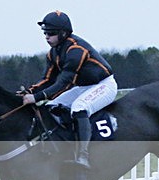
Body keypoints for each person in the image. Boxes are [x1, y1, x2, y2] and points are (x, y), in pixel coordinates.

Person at [20, 11, 117, 169]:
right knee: (50, 107)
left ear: (63, 33)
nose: (47, 37)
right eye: (45, 33)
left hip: (104, 85)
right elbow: (48, 79)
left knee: (79, 107)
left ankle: (83, 155)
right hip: (83, 86)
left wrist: (37, 97)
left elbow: (64, 82)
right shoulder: (53, 53)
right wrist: (30, 92)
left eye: (51, 33)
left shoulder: (76, 50)